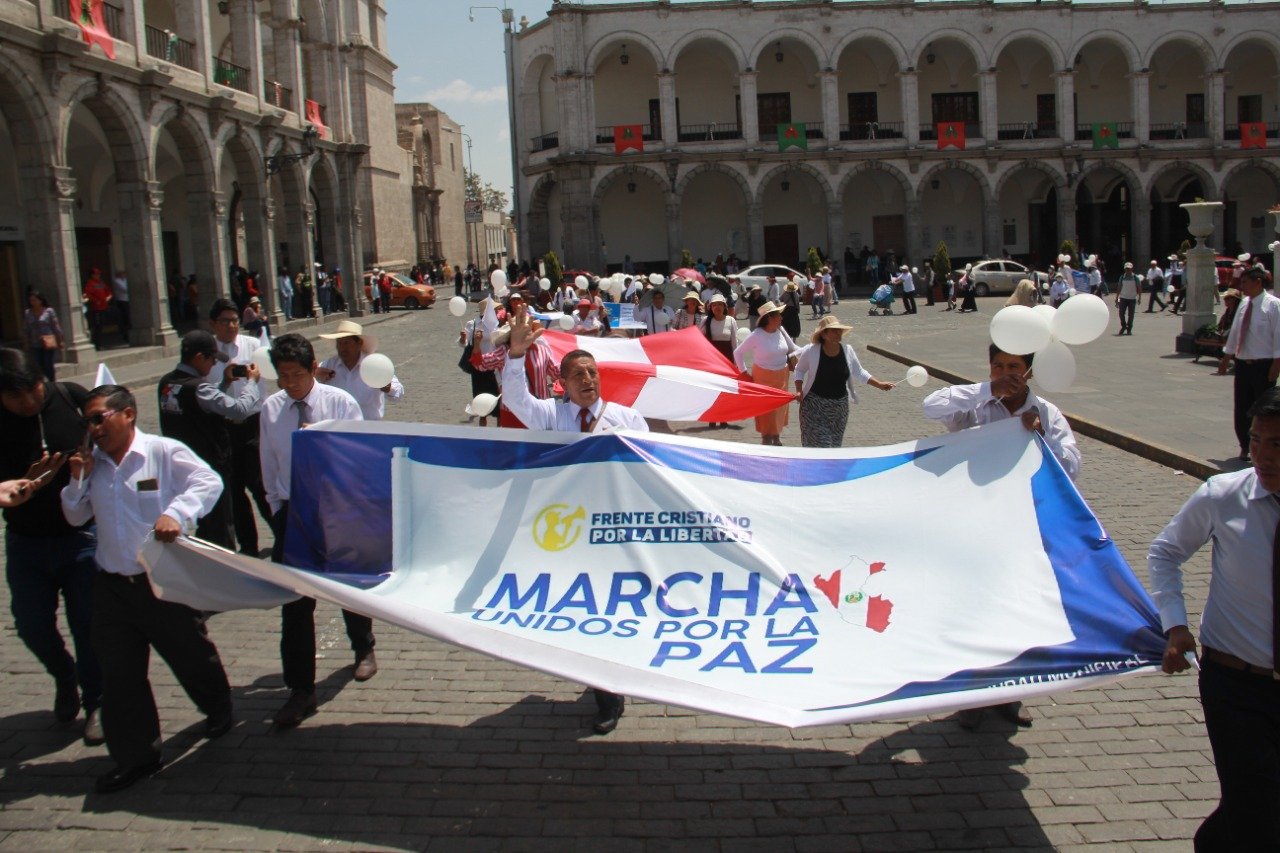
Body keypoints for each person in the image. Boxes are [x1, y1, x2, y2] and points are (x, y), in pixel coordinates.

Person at [61, 384, 233, 793]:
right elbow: (73, 517)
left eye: (99, 417)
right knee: (119, 674)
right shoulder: (94, 465)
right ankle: (137, 756)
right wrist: (77, 480)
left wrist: (177, 513)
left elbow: (208, 482)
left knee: (189, 653)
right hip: (112, 586)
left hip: (161, 579)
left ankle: (217, 705)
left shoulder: (161, 451)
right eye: (88, 420)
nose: (93, 427)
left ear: (128, 414)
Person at [1147, 386, 1280, 851]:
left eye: (1276, 443)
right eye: (1255, 439)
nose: (1262, 455)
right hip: (1236, 683)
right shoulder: (1224, 496)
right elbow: (1165, 553)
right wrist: (1175, 624)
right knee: (1254, 801)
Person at [500, 306, 643, 735]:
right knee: (591, 612)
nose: (587, 380)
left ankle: (618, 674)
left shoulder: (625, 418)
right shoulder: (552, 416)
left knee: (618, 607)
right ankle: (607, 695)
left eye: (592, 373)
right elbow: (515, 400)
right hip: (571, 533)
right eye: (578, 374)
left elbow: (648, 468)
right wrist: (513, 355)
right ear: (563, 383)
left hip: (617, 530)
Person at [922, 344, 1080, 729]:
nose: (1005, 372)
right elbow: (930, 405)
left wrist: (1042, 439)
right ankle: (973, 696)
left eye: (1013, 366)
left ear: (1028, 372)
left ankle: (1010, 694)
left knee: (1016, 608)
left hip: (1023, 524)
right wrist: (985, 389)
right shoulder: (975, 407)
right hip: (974, 522)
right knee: (973, 607)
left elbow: (1072, 467)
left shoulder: (1046, 413)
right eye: (997, 366)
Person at [259, 334, 373, 727]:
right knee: (295, 604)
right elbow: (268, 464)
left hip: (336, 508)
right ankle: (300, 689)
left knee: (346, 585)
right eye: (282, 376)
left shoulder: (339, 403)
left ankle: (363, 647)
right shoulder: (271, 409)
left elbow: (358, 455)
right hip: (294, 514)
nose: (289, 382)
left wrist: (323, 438)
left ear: (312, 371)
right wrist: (277, 509)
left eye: (296, 374)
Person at [0, 349, 103, 745]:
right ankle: (64, 675)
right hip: (26, 541)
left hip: (80, 539)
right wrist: (8, 489)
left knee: (88, 624)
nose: (28, 403)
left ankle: (98, 701)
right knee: (31, 625)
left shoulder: (71, 398)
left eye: (33, 392)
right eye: (16, 398)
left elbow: (114, 442)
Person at [157, 330, 261, 549]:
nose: (214, 364)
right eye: (212, 359)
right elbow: (239, 410)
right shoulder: (199, 387)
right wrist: (252, 383)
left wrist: (224, 384)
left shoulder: (167, 383)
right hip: (210, 465)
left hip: (181, 466)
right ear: (199, 357)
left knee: (204, 522)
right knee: (220, 526)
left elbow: (201, 406)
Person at [208, 300, 272, 555]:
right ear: (214, 324)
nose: (232, 325)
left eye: (235, 320)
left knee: (260, 485)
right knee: (234, 490)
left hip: (252, 424)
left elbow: (270, 371)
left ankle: (283, 534)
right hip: (223, 427)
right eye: (225, 321)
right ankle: (249, 546)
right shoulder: (208, 352)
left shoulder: (253, 345)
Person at [793, 316, 892, 448]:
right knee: (822, 447)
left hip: (839, 409)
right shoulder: (811, 351)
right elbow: (799, 370)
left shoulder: (847, 350)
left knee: (834, 448)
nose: (838, 333)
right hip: (814, 408)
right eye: (834, 331)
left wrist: (879, 384)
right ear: (824, 334)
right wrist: (799, 390)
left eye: (839, 330)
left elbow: (860, 372)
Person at [1220, 267, 1280, 461]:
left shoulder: (1273, 305)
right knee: (1242, 406)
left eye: (1246, 282)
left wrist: (1276, 364)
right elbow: (1236, 331)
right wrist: (1227, 357)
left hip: (1264, 364)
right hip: (1243, 364)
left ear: (1258, 282)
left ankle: (1263, 445)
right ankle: (1245, 446)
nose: (1242, 286)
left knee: (1261, 408)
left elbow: (1279, 336)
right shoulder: (1244, 304)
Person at [734, 301, 800, 446]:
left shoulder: (781, 330)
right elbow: (738, 353)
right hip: (763, 376)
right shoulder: (757, 335)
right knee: (765, 408)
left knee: (780, 407)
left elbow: (793, 348)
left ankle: (776, 436)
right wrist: (744, 373)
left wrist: (812, 349)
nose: (781, 318)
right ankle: (766, 437)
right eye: (778, 315)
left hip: (782, 375)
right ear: (770, 318)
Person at [316, 320, 405, 421]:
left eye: (346, 343)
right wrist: (314, 374)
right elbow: (310, 387)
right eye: (339, 343)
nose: (342, 348)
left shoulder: (374, 364)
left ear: (359, 343)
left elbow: (398, 393)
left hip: (368, 428)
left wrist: (388, 388)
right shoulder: (329, 365)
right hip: (339, 428)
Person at [23, 291, 64, 381]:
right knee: (38, 364)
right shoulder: (28, 313)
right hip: (35, 342)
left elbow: (55, 326)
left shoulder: (49, 311)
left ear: (40, 300)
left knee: (48, 363)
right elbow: (26, 329)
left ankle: (52, 381)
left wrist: (60, 340)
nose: (33, 302)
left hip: (48, 341)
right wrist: (26, 342)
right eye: (31, 300)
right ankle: (42, 382)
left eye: (35, 300)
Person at [83, 268, 113, 349]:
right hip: (96, 309)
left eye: (99, 274)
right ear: (92, 275)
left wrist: (108, 297)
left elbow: (108, 292)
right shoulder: (90, 284)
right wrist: (96, 301)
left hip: (104, 307)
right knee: (97, 327)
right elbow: (88, 295)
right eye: (96, 274)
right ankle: (97, 345)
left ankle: (100, 343)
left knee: (102, 326)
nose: (98, 275)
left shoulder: (101, 283)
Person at [1115, 261, 1141, 335]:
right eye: (1126, 269)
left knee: (1131, 315)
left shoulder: (1135, 277)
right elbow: (1119, 287)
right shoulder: (1122, 277)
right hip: (1123, 298)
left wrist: (1139, 297)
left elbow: (1139, 287)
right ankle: (1123, 326)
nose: (1128, 270)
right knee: (1121, 313)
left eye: (1129, 269)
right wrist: (1117, 298)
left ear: (1132, 269)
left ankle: (1129, 329)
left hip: (1132, 298)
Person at [110, 271, 130, 340]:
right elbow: (125, 289)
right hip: (121, 301)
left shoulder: (125, 280)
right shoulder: (117, 281)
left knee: (128, 318)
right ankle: (125, 334)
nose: (124, 275)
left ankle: (128, 333)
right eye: (123, 273)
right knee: (124, 317)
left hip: (127, 300)